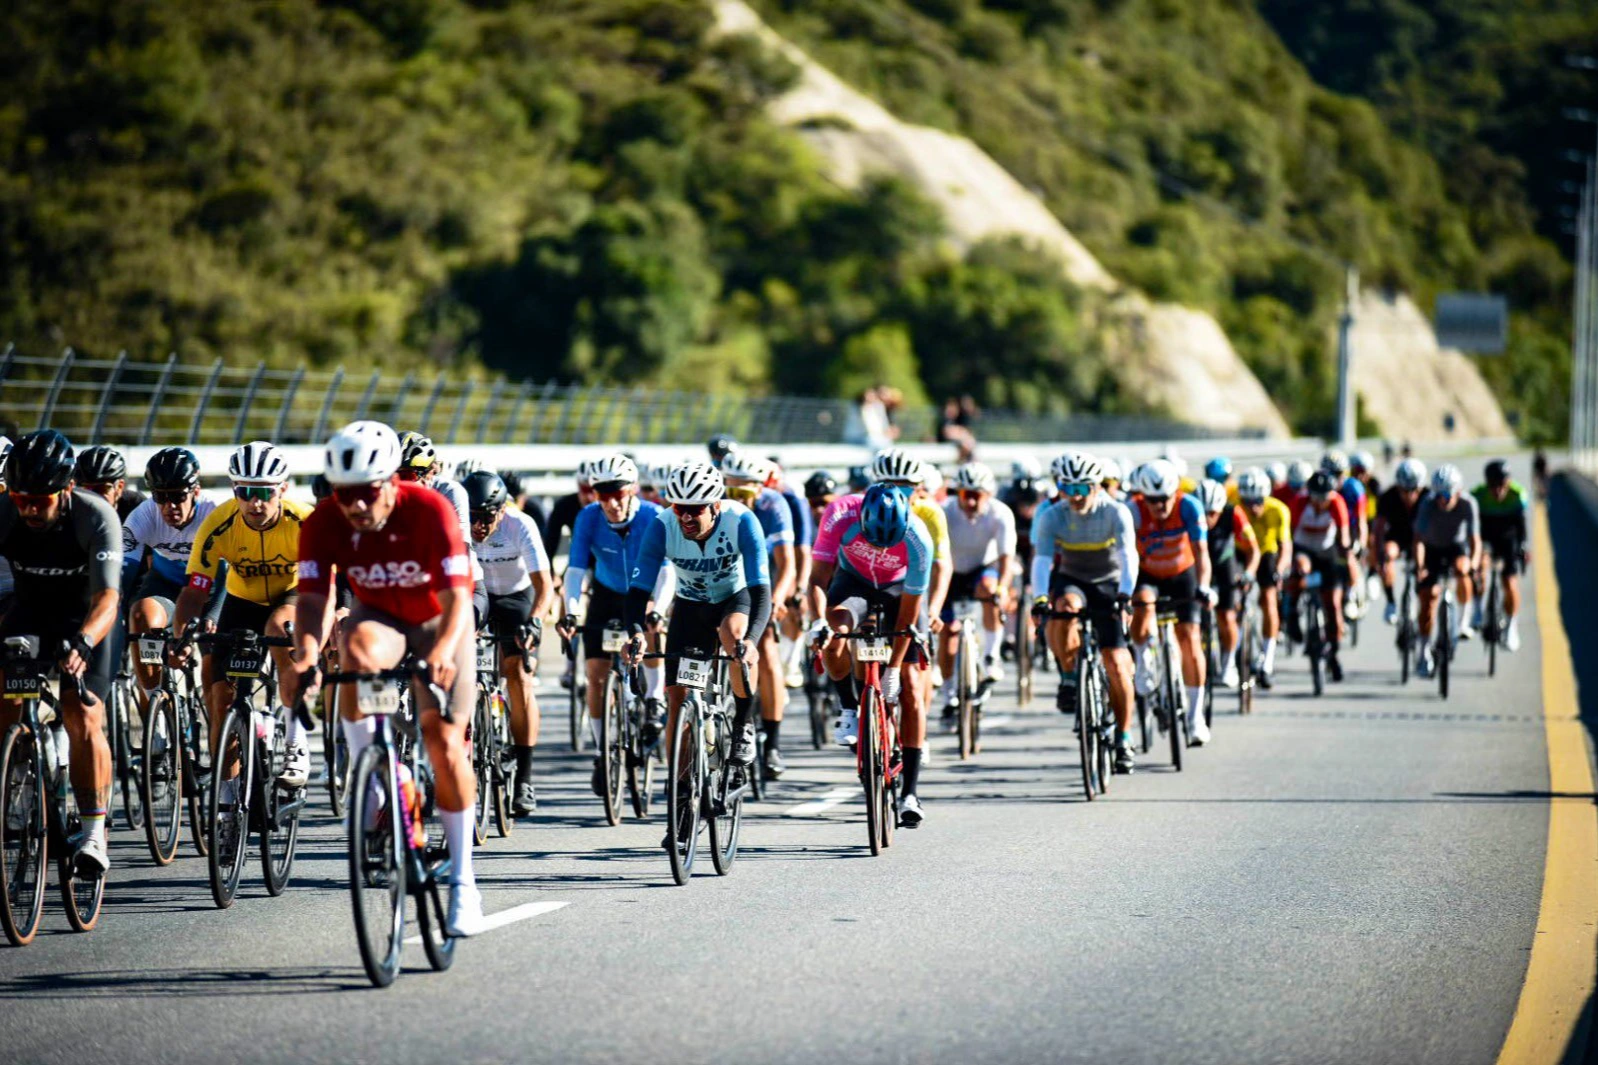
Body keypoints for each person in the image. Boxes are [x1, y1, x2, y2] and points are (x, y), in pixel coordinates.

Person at [292, 421, 483, 936]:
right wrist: (306, 652)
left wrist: (443, 652)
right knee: (352, 648)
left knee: (442, 739)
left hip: (438, 620)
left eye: (367, 493)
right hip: (381, 619)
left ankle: (463, 881)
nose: (355, 506)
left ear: (393, 482)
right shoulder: (324, 522)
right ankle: (375, 773)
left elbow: (458, 600)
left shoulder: (429, 510)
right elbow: (313, 599)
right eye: (344, 494)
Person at [624, 462, 770, 851]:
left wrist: (753, 640)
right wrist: (636, 634)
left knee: (734, 639)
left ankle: (742, 725)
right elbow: (638, 590)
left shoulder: (742, 521)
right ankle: (683, 803)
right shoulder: (662, 524)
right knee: (678, 700)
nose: (687, 516)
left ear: (716, 505)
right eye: (680, 508)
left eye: (696, 509)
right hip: (689, 607)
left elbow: (760, 592)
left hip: (734, 600)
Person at [0, 431, 123, 875]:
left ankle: (93, 832)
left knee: (82, 713)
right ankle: (15, 778)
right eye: (20, 498)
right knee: (5, 699)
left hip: (87, 618)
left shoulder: (96, 516)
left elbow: (108, 597)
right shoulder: (5, 513)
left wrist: (86, 640)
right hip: (30, 612)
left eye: (41, 500)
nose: (30, 509)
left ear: (67, 489)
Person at [173, 441, 312, 787]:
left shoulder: (304, 521)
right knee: (222, 699)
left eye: (264, 492)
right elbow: (195, 590)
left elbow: (333, 580)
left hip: (291, 594)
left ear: (283, 488)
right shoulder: (219, 524)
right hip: (242, 602)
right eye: (245, 491)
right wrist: (181, 636)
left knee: (279, 627)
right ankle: (226, 798)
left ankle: (296, 740)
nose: (255, 502)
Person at [811, 482, 934, 824]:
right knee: (834, 633)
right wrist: (817, 621)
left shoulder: (918, 538)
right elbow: (818, 579)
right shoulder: (839, 514)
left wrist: (893, 668)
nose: (880, 546)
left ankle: (910, 792)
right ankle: (849, 707)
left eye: (888, 540)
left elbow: (911, 609)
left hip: (898, 589)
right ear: (861, 517)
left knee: (910, 683)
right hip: (854, 582)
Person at [558, 453, 668, 798]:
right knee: (595, 673)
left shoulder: (653, 515)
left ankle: (653, 699)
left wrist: (658, 608)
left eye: (618, 493)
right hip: (606, 593)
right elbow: (575, 570)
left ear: (633, 489)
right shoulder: (588, 517)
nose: (612, 502)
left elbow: (667, 569)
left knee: (651, 632)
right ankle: (601, 750)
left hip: (646, 589)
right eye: (603, 494)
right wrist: (572, 611)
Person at [1029, 452, 1138, 772]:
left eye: (1082, 488)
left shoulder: (1115, 512)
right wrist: (1038, 599)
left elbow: (1129, 556)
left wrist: (1126, 596)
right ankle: (1069, 674)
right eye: (1067, 487)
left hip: (1109, 582)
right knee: (1064, 608)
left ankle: (1124, 735)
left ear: (1096, 486)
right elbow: (1042, 561)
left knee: (1117, 664)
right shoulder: (1053, 514)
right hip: (1073, 579)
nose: (1074, 496)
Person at [465, 470, 553, 814]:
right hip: (477, 594)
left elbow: (544, 585)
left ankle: (526, 779)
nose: (478, 526)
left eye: (486, 518)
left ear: (502, 510)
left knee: (517, 676)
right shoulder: (458, 526)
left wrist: (534, 621)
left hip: (518, 597)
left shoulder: (521, 525)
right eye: (472, 517)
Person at [122, 448, 220, 724]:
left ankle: (219, 740)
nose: (169, 506)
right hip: (167, 584)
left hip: (213, 589)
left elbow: (227, 574)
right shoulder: (143, 516)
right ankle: (158, 716)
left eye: (178, 496)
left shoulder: (214, 513)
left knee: (213, 669)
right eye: (160, 497)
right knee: (139, 618)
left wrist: (210, 617)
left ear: (196, 491)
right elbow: (123, 574)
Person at [721, 452, 797, 779]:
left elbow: (788, 562)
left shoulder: (773, 505)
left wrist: (779, 598)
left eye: (746, 493)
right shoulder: (715, 505)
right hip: (724, 581)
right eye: (732, 492)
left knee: (765, 653)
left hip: (762, 581)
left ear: (761, 488)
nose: (740, 500)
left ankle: (774, 744)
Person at [1127, 459, 1211, 745]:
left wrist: (1204, 587)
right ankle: (1143, 659)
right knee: (1143, 604)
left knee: (1189, 637)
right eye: (1152, 500)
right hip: (1147, 574)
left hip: (1182, 574)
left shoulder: (1189, 506)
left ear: (1175, 494)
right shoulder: (1133, 511)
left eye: (1164, 500)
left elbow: (1201, 552)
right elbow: (1123, 556)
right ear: (1142, 496)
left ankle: (1195, 716)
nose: (1159, 507)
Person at [937, 462, 1016, 714]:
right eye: (965, 495)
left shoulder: (1000, 513)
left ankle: (992, 655)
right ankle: (949, 690)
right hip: (950, 571)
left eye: (977, 496)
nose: (970, 502)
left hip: (982, 567)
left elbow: (1006, 558)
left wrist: (1003, 588)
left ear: (988, 495)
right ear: (956, 493)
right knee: (948, 633)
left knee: (990, 590)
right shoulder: (944, 511)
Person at [1413, 464, 1480, 677]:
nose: (1442, 500)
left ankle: (1463, 620)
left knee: (1462, 569)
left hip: (1456, 547)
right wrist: (1421, 566)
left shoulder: (1469, 504)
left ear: (1457, 491)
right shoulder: (1427, 503)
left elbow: (1474, 539)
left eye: (1447, 495)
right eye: (1438, 495)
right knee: (1428, 596)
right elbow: (1418, 541)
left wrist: (1474, 563)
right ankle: (1424, 649)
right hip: (1432, 549)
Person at [1286, 471, 1354, 681]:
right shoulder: (1299, 502)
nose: (1319, 502)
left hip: (1327, 551)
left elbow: (1343, 538)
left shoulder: (1337, 503)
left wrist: (1349, 554)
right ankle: (1292, 613)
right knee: (1300, 569)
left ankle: (1333, 653)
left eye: (1324, 498)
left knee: (1333, 605)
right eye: (1315, 497)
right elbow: (1288, 535)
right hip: (1304, 548)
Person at [1198, 478, 1259, 688]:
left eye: (1212, 514)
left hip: (1225, 564)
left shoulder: (1234, 513)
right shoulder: (1189, 514)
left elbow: (1253, 550)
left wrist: (1249, 573)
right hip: (1199, 563)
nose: (1206, 519)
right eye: (1202, 513)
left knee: (1226, 615)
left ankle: (1229, 663)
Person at [1236, 468, 1291, 688]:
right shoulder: (1237, 509)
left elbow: (1285, 546)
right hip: (1242, 551)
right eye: (1247, 502)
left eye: (1258, 501)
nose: (1253, 507)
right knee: (1234, 599)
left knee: (1269, 600)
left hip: (1268, 552)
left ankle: (1267, 661)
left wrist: (1280, 568)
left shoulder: (1279, 510)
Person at [1471, 460, 1527, 652]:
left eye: (1502, 486)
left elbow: (1522, 527)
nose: (1498, 491)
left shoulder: (1518, 495)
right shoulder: (1477, 495)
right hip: (1486, 538)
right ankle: (1477, 609)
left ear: (1508, 482)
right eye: (1493, 486)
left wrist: (1524, 549)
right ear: (1487, 484)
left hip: (1508, 540)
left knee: (1510, 584)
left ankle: (1511, 626)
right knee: (1480, 568)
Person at [1373, 459, 1428, 624]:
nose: (1409, 495)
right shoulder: (1387, 497)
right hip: (1397, 537)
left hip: (1422, 539)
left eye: (1414, 490)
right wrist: (1380, 557)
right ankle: (1390, 602)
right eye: (1404, 490)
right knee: (1388, 553)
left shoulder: (1429, 497)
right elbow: (1379, 529)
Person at [74, 444, 146, 522]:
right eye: (86, 490)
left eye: (102, 489)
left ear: (119, 487)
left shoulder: (137, 507)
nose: (94, 496)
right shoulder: (68, 509)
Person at [544, 460, 597, 560]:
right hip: (579, 557)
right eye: (585, 490)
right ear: (578, 485)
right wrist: (551, 572)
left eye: (593, 490)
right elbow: (550, 542)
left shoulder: (608, 506)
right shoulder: (565, 506)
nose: (589, 497)